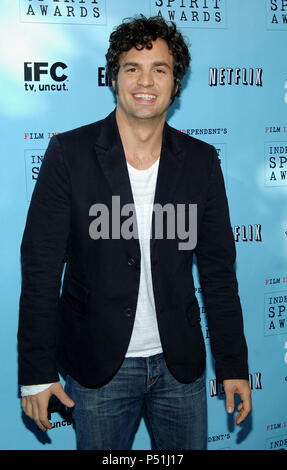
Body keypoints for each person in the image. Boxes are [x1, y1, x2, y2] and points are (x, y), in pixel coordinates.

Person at [18, 15, 252, 450]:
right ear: (115, 78)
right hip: (99, 367)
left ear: (176, 83)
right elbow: (41, 271)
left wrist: (234, 365)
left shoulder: (202, 162)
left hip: (179, 366)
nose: (146, 81)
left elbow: (219, 272)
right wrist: (36, 374)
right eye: (133, 68)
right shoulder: (69, 154)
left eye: (159, 69)